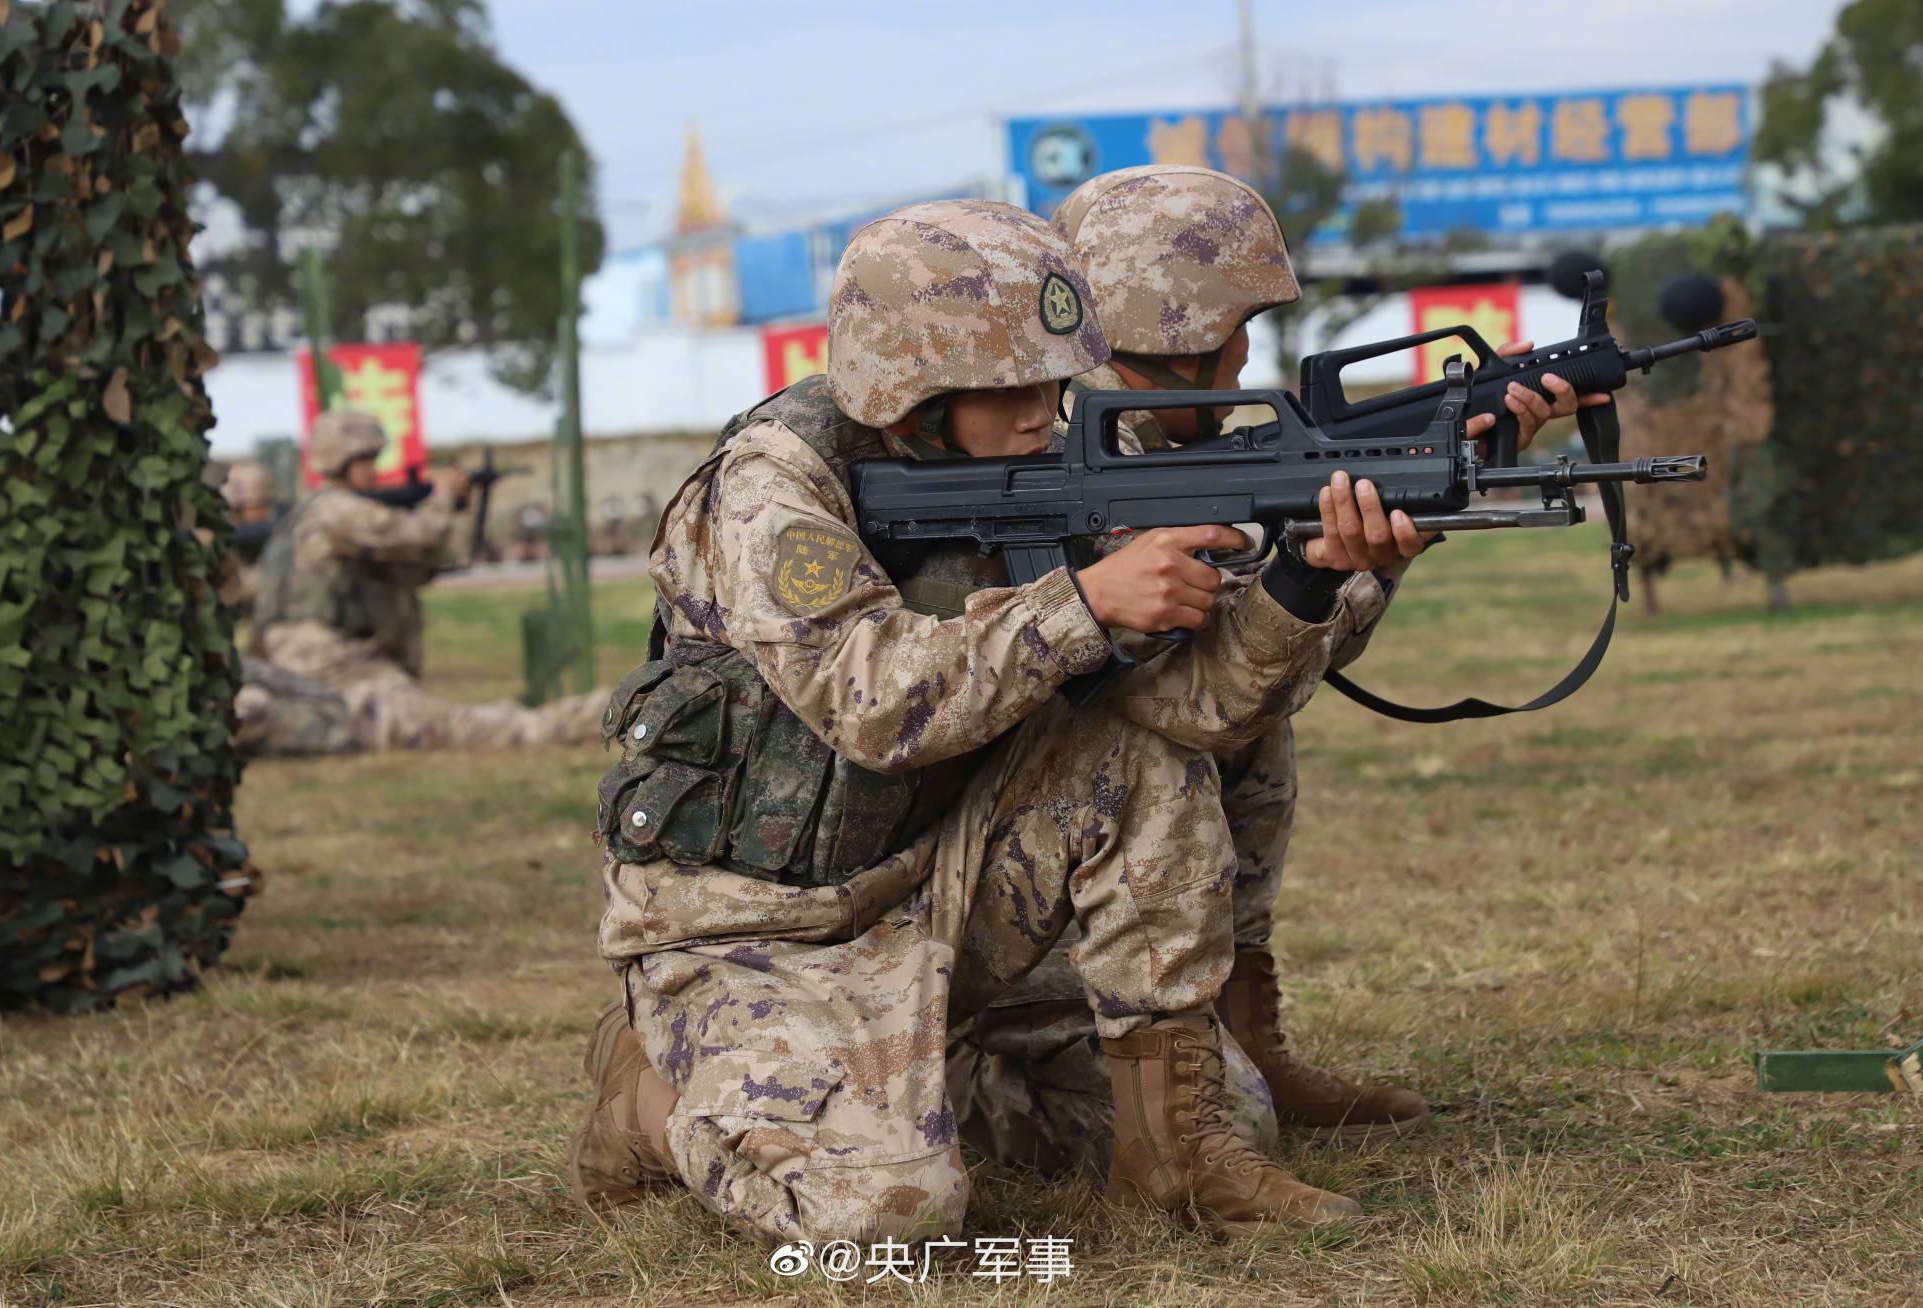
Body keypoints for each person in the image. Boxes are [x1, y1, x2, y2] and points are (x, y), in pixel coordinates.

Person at [571, 199, 1427, 1248]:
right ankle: (646, 1102)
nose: (1041, 413)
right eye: (1008, 387)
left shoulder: (1049, 465)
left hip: (935, 892)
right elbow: (868, 698)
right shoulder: (772, 488)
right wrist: (1085, 604)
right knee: (885, 1217)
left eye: (1053, 381)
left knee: (1144, 797)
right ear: (908, 389)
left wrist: (1308, 579)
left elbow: (1193, 711)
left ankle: (1174, 1157)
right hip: (755, 931)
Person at [946, 165, 1610, 1172]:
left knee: (1262, 720)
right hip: (995, 875)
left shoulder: (1178, 434)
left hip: (1066, 843)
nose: (1249, 347)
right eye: (1239, 323)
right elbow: (1190, 705)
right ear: (1184, 334)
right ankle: (967, 1083)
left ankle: (1243, 1032)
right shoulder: (1068, 457)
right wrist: (1319, 572)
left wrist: (1371, 555)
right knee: (1187, 732)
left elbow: (1265, 655)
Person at [239, 409, 606, 753]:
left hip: (308, 664)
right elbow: (415, 535)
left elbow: (424, 564)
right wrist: (443, 498)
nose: (372, 471)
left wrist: (452, 510)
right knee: (447, 727)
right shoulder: (335, 509)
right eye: (363, 461)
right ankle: (595, 715)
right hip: (334, 667)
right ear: (339, 462)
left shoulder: (309, 512)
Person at [218, 460, 279, 612]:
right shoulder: (221, 543)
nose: (263, 512)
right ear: (236, 509)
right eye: (255, 506)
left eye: (266, 504)